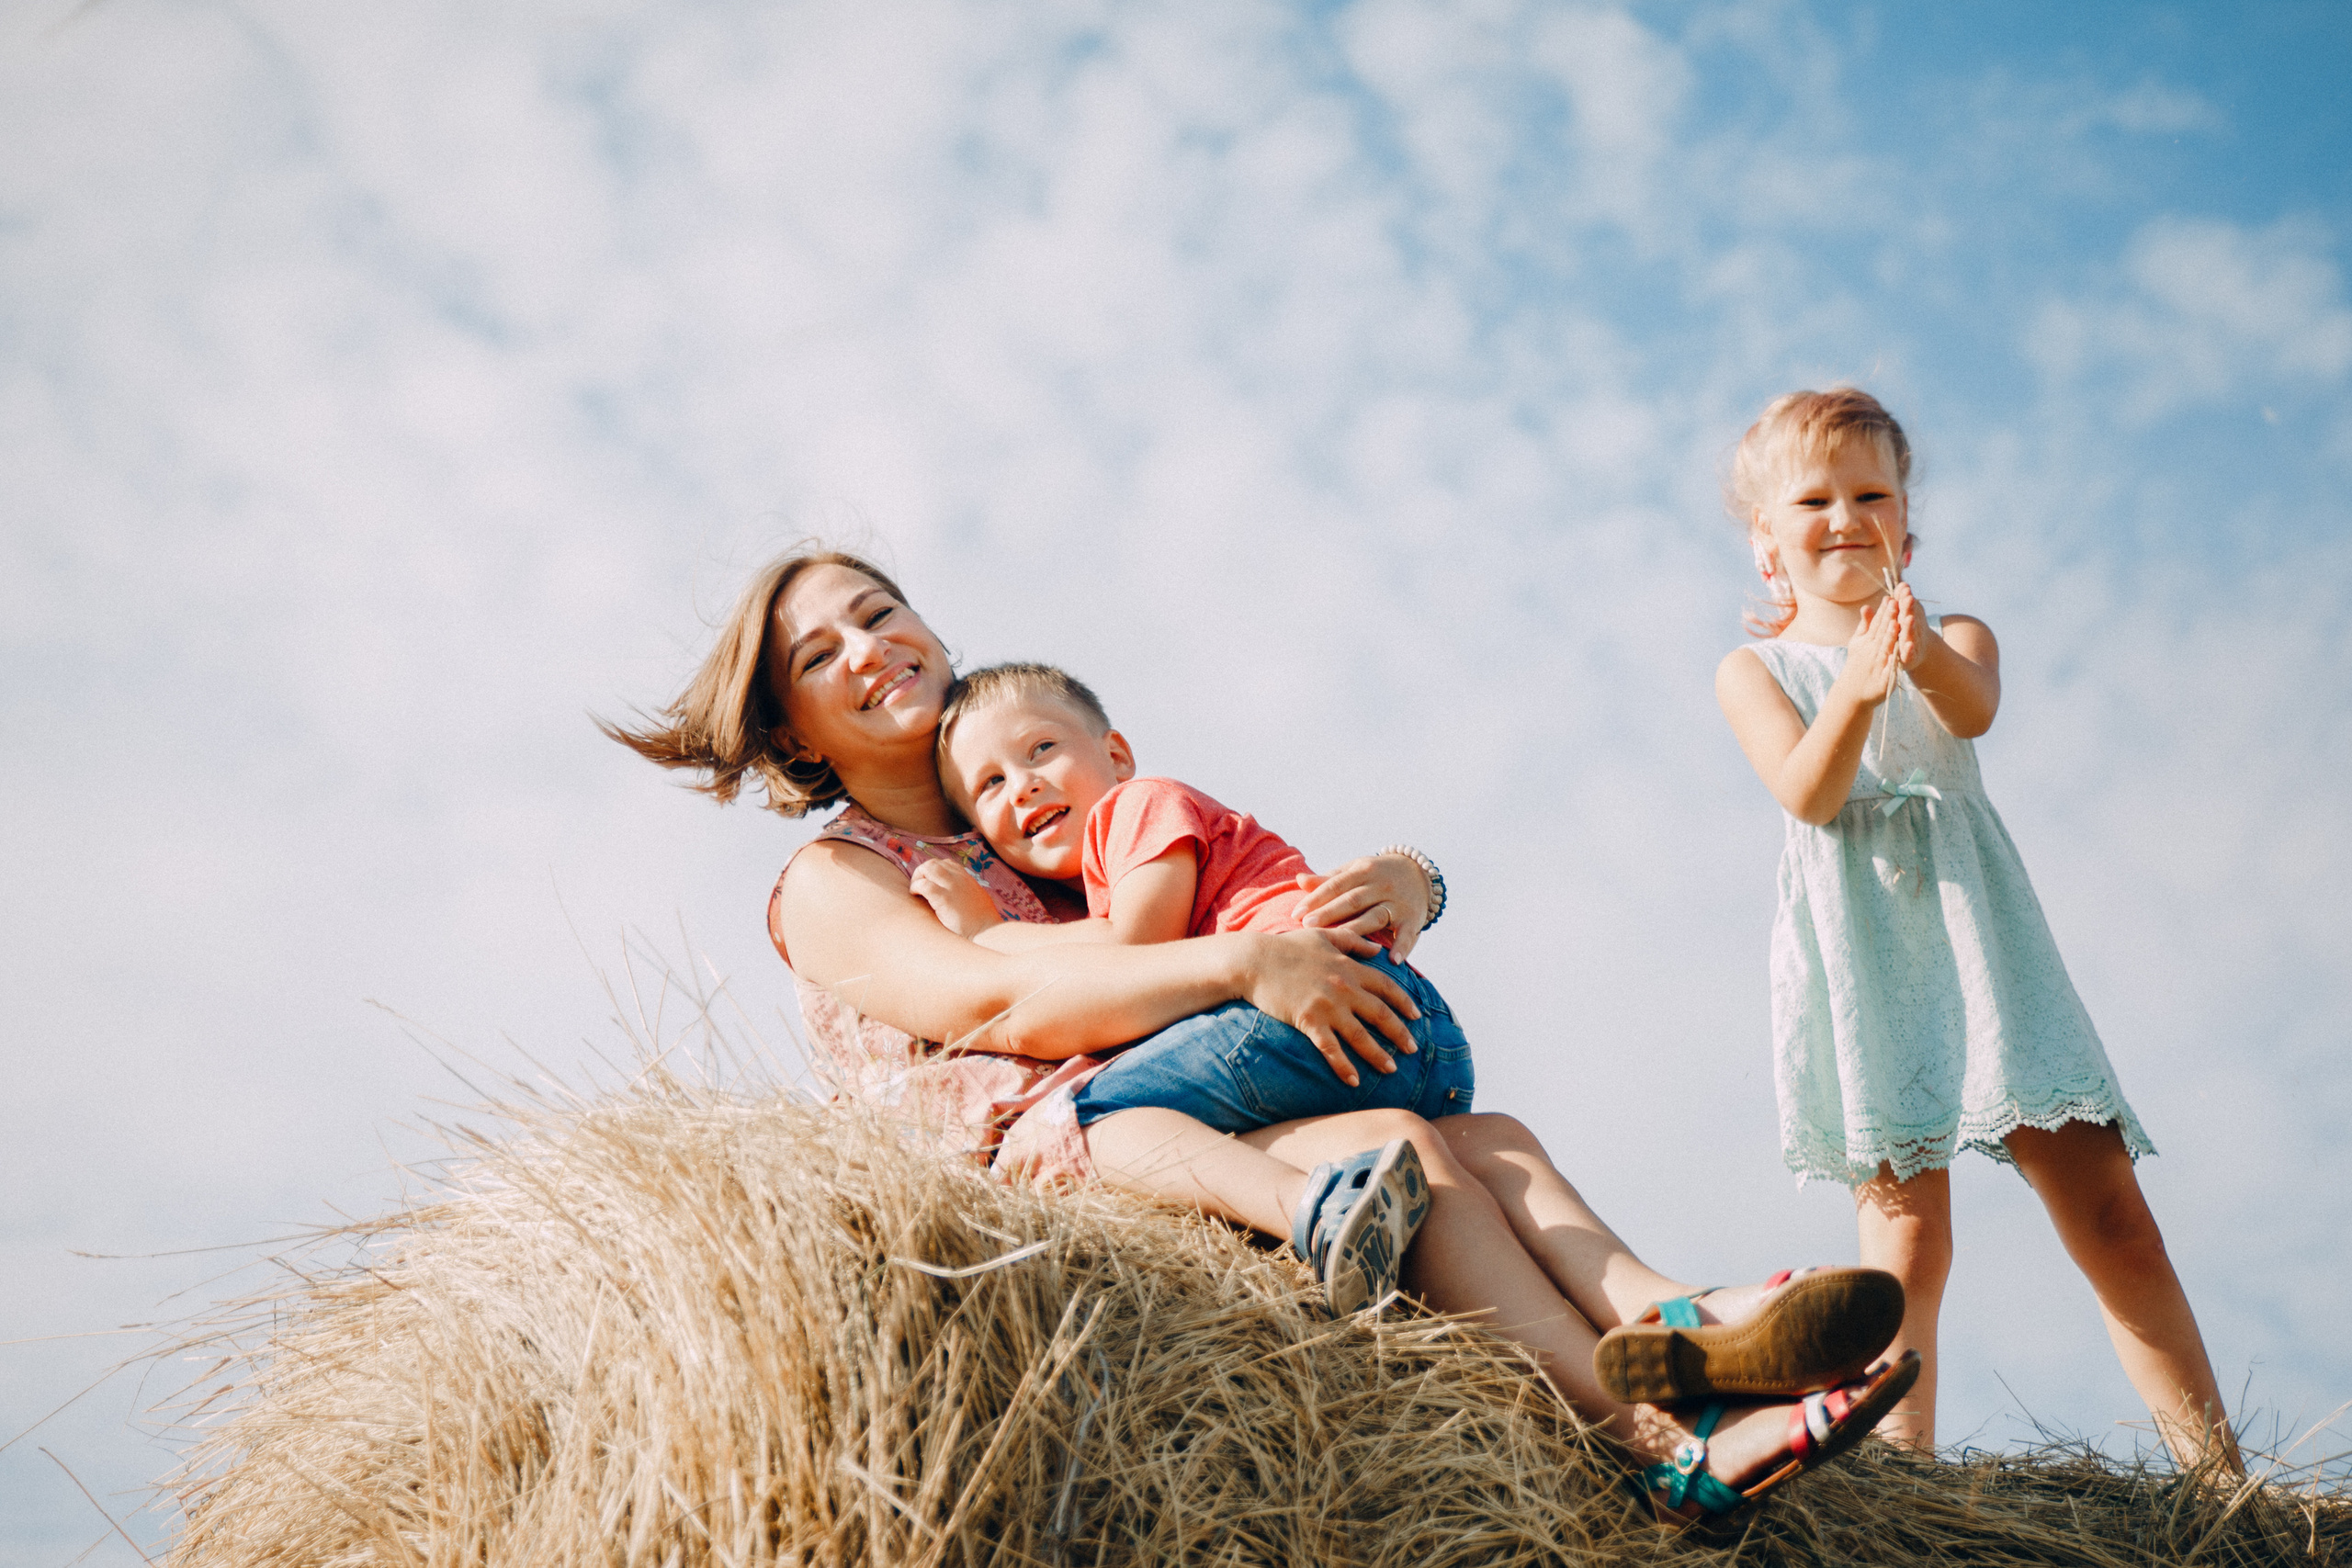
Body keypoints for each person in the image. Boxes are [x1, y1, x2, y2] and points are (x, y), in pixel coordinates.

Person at [610, 542, 1917, 1525]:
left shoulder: (1039, 808)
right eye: (818, 653)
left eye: (878, 611)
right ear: (787, 724)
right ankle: (1652, 1437)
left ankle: (1677, 1343)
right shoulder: (841, 877)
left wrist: (1408, 878)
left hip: (1164, 1107)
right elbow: (991, 1004)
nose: (867, 647)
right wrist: (1247, 959)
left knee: (1474, 1138)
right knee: (1411, 1133)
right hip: (1045, 1164)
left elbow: (1211, 883)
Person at [1713, 387, 2239, 1470]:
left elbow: (1971, 707)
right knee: (1906, 1242)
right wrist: (1854, 687)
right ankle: (1907, 1481)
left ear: (1907, 524)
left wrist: (1903, 655)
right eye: (1814, 499)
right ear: (1767, 542)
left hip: (1982, 944)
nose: (1847, 515)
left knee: (2110, 1214)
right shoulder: (1754, 670)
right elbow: (1806, 793)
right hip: (1867, 961)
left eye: (1872, 493)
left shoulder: (1951, 633)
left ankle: (2216, 1476)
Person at [910, 659, 1476, 1140]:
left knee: (1066, 1128)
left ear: (1117, 757)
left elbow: (1133, 946)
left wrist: (987, 933)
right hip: (1421, 1055)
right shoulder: (1089, 887)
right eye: (989, 784)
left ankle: (1312, 1208)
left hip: (1310, 1002)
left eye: (1041, 748)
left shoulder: (1135, 805)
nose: (1022, 784)